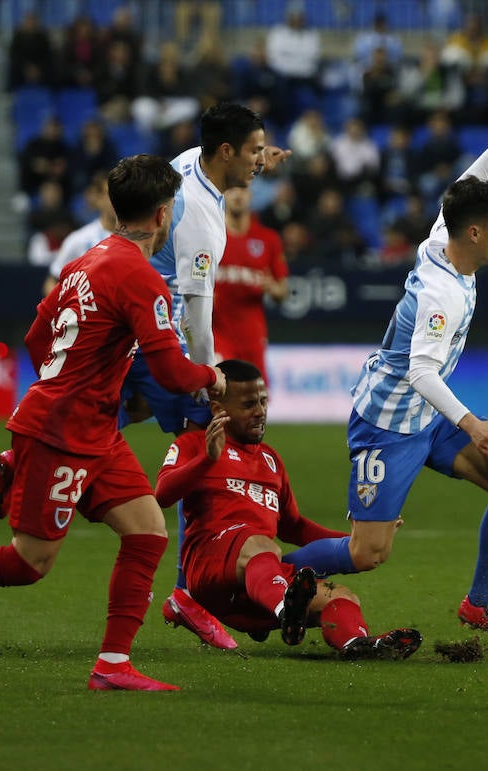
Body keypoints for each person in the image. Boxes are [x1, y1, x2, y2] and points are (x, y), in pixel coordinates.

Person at [0, 154, 227, 691]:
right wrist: (212, 378)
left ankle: (113, 665)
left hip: (92, 426)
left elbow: (35, 338)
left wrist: (88, 372)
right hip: (62, 431)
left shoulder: (87, 259)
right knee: (30, 562)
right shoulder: (140, 278)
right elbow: (171, 372)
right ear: (165, 214)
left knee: (146, 530)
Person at [278, 101, 488, 651]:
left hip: (427, 415)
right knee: (367, 553)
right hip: (389, 422)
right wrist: (471, 424)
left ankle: (480, 602)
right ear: (473, 232)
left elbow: (461, 187)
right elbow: (420, 370)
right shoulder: (441, 294)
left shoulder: (446, 237)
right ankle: (269, 576)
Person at [123, 102, 290, 651]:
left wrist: (264, 155)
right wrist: (211, 381)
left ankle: (31, 450)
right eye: (252, 152)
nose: (258, 164)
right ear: (225, 152)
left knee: (115, 412)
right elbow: (197, 314)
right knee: (206, 438)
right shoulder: (196, 215)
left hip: (132, 327)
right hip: (162, 336)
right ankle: (184, 595)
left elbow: (235, 155)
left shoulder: (194, 161)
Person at [155, 359, 423, 659]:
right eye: (248, 405)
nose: (259, 412)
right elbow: (162, 495)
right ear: (219, 410)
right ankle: (286, 608)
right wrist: (207, 459)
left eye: (262, 401)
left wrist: (360, 540)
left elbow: (293, 526)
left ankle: (356, 644)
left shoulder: (270, 460)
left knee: (341, 597)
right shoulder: (193, 444)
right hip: (210, 569)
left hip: (257, 586)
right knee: (258, 543)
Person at [213, 185, 288, 380]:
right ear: (223, 195)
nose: (237, 195)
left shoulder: (268, 239)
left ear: (250, 195)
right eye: (231, 189)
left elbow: (283, 292)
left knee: (255, 400)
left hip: (252, 337)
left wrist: (271, 287)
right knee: (222, 393)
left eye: (243, 189)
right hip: (216, 334)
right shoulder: (211, 236)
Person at [44, 170, 117, 296]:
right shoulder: (79, 240)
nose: (116, 200)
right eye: (109, 194)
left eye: (120, 194)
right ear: (98, 198)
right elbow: (52, 282)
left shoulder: (141, 240)